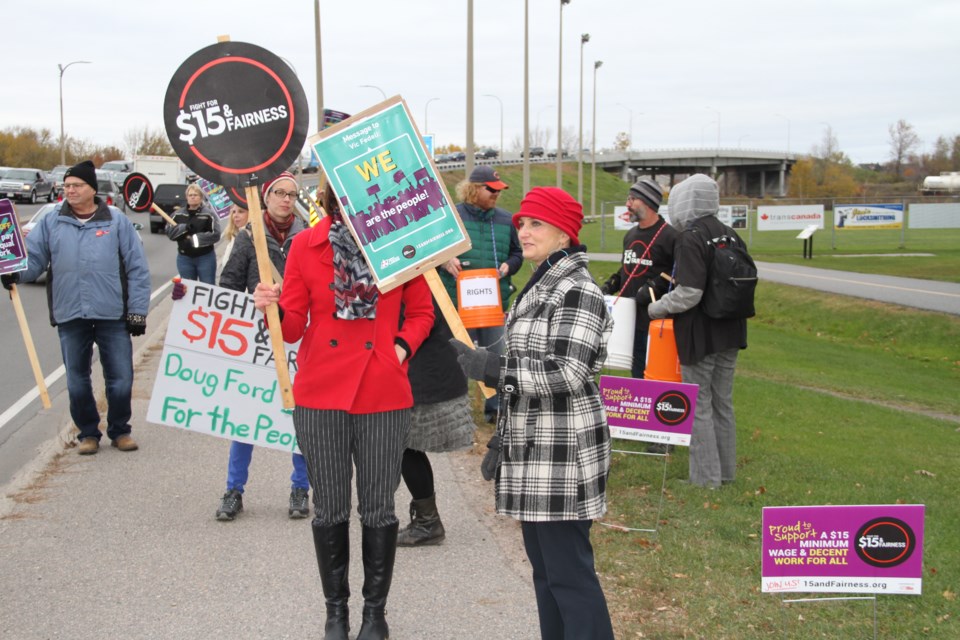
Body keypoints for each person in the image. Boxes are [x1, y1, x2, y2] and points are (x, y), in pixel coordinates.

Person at [253, 185, 434, 640]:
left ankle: (375, 614)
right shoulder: (303, 246)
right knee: (329, 509)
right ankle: (337, 613)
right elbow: (293, 328)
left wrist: (398, 349)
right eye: (346, 198)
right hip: (320, 395)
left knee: (378, 509)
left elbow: (422, 314)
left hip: (383, 391)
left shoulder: (400, 246)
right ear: (333, 201)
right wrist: (270, 307)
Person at [450, 186, 616, 639]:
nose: (522, 230)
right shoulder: (541, 283)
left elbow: (567, 372)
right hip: (533, 451)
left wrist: (494, 366)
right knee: (546, 577)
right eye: (521, 222)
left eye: (535, 223)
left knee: (570, 577)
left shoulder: (578, 290)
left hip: (564, 453)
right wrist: (502, 441)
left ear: (564, 234)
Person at [1, 160, 150, 455]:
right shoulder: (52, 220)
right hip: (71, 312)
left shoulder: (116, 221)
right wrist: (14, 272)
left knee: (120, 379)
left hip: (112, 314)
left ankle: (120, 430)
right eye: (67, 186)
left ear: (92, 189)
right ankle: (88, 433)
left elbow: (137, 267)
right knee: (76, 380)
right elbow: (36, 261)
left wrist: (137, 310)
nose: (69, 190)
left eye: (76, 185)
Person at [215, 172, 310, 521]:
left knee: (300, 419)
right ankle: (234, 490)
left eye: (292, 194)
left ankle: (301, 487)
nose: (286, 199)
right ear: (266, 197)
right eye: (280, 193)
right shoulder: (248, 237)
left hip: (298, 339)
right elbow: (227, 287)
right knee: (246, 419)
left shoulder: (309, 237)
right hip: (256, 343)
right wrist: (252, 299)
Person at [646, 174, 748, 489]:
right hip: (731, 328)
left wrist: (657, 307)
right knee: (722, 402)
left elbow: (689, 293)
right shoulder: (730, 234)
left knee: (699, 403)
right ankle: (725, 472)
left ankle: (705, 479)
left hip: (701, 332)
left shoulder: (691, 236)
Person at [439, 165, 522, 423]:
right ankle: (456, 412)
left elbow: (517, 253)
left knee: (495, 356)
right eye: (491, 189)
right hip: (458, 302)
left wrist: (510, 265)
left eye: (499, 190)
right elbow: (433, 249)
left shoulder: (506, 220)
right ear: (474, 189)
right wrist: (445, 260)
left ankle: (496, 410)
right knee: (458, 357)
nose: (496, 194)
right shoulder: (451, 215)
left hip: (493, 303)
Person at [396, 299, 475, 547]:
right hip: (419, 367)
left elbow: (417, 321)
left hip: (423, 370)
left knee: (404, 444)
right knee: (404, 445)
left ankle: (428, 522)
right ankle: (425, 518)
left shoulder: (413, 276)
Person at [600, 177, 678, 378]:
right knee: (634, 372)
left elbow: (677, 272)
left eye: (633, 199)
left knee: (652, 374)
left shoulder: (670, 236)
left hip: (652, 319)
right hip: (627, 316)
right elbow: (629, 266)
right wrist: (612, 283)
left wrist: (655, 286)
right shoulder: (631, 235)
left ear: (648, 202)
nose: (628, 204)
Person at [166, 182, 220, 284]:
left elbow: (216, 234)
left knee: (207, 288)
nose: (192, 197)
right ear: (186, 197)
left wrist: (195, 239)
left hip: (205, 258)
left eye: (195, 195)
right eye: (190, 195)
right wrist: (184, 228)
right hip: (184, 258)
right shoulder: (177, 214)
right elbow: (170, 232)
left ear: (201, 197)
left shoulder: (209, 214)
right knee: (187, 289)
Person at [216, 203, 249, 281]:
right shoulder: (233, 237)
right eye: (233, 212)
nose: (236, 215)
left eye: (241, 212)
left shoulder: (251, 238)